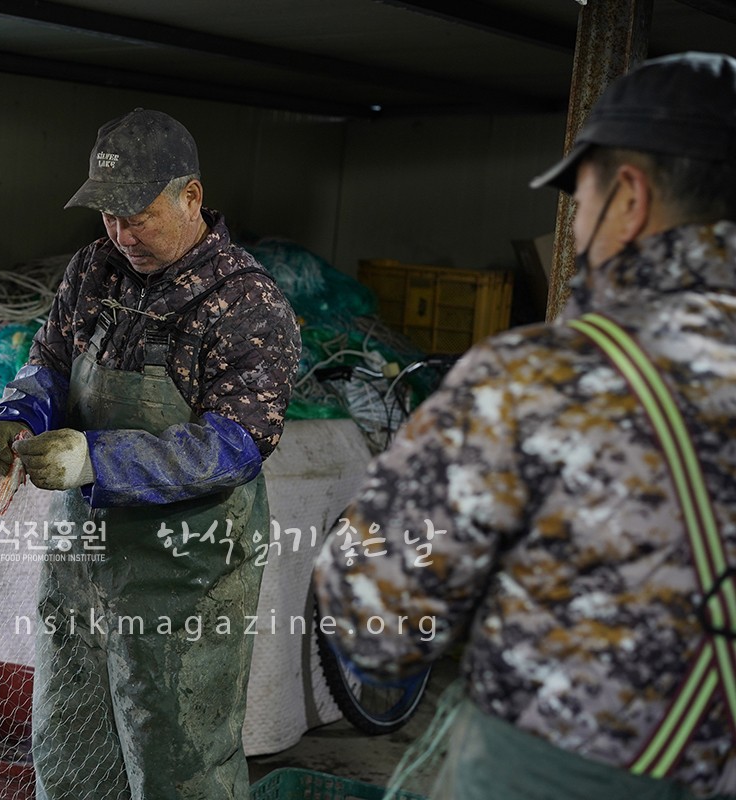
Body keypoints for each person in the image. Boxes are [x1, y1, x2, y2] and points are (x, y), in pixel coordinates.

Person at [313, 52, 736, 800]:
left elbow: (377, 616)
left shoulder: (541, 377)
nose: (575, 235)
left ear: (629, 199)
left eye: (584, 197)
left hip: (560, 770)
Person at [0, 108, 301, 799]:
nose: (122, 235)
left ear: (191, 197)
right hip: (83, 565)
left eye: (138, 216)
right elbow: (51, 363)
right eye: (108, 217)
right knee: (70, 749)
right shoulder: (96, 269)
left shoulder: (246, 302)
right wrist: (17, 417)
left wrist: (96, 460)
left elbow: (234, 444)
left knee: (180, 764)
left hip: (187, 578)